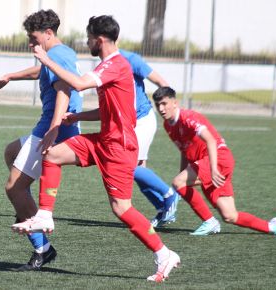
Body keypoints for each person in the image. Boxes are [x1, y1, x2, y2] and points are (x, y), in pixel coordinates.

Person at [12, 15, 180, 283]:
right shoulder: (110, 65)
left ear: (99, 40)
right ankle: (44, 215)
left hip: (119, 148)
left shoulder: (115, 64)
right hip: (104, 139)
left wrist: (45, 59)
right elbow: (107, 110)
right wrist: (77, 118)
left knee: (121, 208)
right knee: (52, 153)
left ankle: (164, 254)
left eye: (89, 38)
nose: (86, 42)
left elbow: (78, 84)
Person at [0, 10, 82, 271]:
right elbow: (41, 72)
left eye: (33, 38)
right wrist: (9, 76)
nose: (30, 43)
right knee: (10, 152)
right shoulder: (59, 54)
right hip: (52, 127)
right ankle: (26, 207)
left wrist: (52, 130)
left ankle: (43, 249)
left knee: (13, 188)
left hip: (53, 130)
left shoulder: (59, 55)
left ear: (48, 34)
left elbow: (64, 91)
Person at [152, 86, 276, 236]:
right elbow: (184, 151)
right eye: (157, 105)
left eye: (164, 103)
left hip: (219, 159)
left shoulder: (187, 117)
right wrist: (183, 173)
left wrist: (213, 169)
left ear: (174, 103)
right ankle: (273, 227)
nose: (161, 108)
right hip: (208, 163)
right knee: (230, 215)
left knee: (178, 182)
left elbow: (211, 140)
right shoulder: (168, 125)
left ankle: (209, 221)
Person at [119, 49, 180, 228]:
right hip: (128, 124)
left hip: (142, 120)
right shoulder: (104, 64)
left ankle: (170, 195)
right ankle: (163, 208)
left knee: (128, 166)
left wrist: (170, 111)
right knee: (137, 171)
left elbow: (161, 82)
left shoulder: (130, 59)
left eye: (90, 37)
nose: (88, 41)